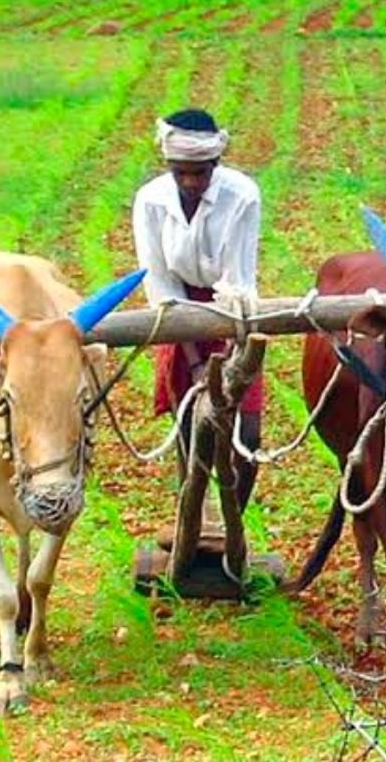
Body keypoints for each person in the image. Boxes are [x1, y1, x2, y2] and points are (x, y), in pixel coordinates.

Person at [132, 108, 264, 512]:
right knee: (191, 423)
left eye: (200, 172)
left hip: (233, 312)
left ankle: (232, 522)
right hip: (177, 314)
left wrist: (231, 363)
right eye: (181, 172)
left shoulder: (242, 195)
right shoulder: (151, 201)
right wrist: (192, 361)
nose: (190, 182)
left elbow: (237, 280)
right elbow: (160, 284)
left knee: (248, 431)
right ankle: (193, 514)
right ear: (170, 166)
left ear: (215, 164)